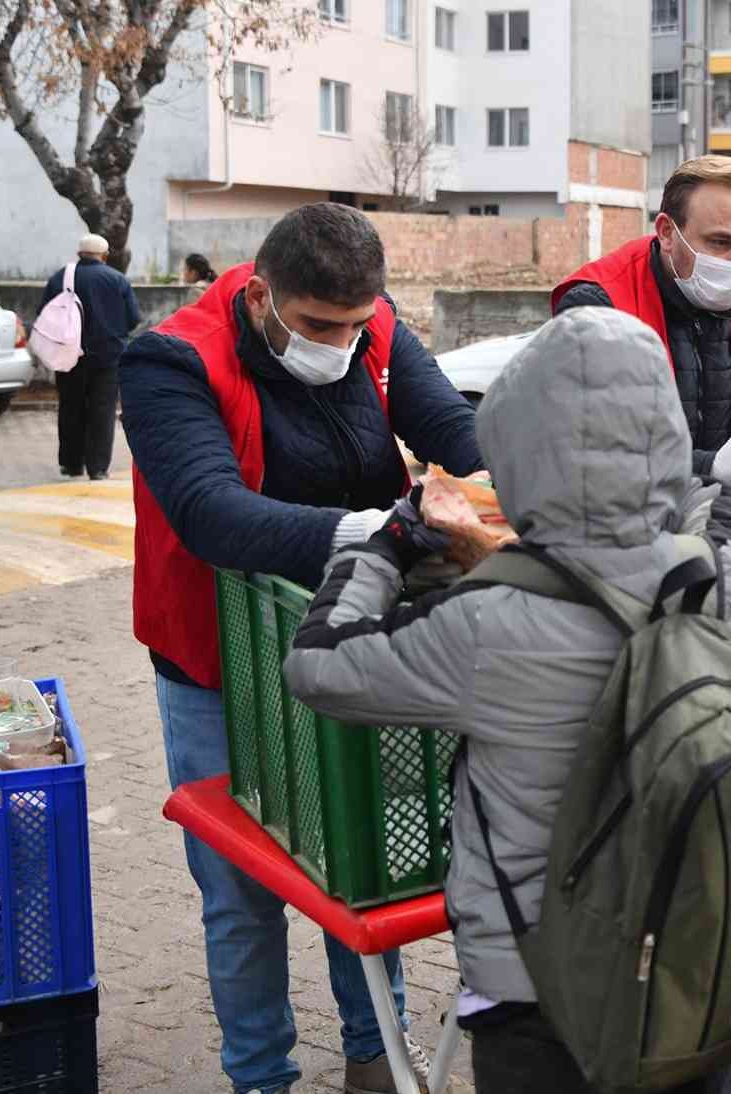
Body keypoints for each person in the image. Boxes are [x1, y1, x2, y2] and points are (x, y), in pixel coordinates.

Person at [282, 306, 731, 1094]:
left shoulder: (484, 623)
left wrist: (393, 543)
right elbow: (721, 505)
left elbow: (321, 664)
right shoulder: (708, 579)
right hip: (687, 964)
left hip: (537, 987)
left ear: (513, 446)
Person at [118, 202, 483, 1094]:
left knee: (361, 863)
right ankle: (261, 1076)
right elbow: (211, 512)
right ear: (260, 297)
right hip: (218, 659)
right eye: (320, 326)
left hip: (357, 645)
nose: (345, 345)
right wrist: (386, 531)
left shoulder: (377, 329)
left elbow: (456, 438)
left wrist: (507, 491)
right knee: (243, 894)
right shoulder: (170, 358)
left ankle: (378, 1055)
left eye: (360, 327)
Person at [552, 155, 731, 523]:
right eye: (720, 242)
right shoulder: (600, 305)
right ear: (666, 232)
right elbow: (594, 445)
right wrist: (714, 467)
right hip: (619, 539)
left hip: (730, 533)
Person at [41, 233, 140, 480]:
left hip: (68, 355)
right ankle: (98, 468)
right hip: (108, 358)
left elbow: (44, 313)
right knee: (103, 411)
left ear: (79, 255)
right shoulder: (118, 280)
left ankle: (72, 464)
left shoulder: (60, 277)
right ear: (104, 256)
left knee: (70, 408)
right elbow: (133, 319)